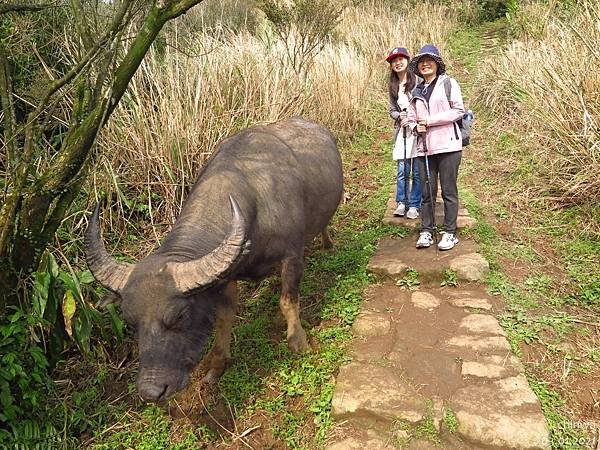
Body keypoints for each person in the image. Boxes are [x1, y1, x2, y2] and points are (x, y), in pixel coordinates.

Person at [407, 44, 465, 250]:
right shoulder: (416, 91)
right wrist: (415, 126)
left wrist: (429, 121)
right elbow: (412, 118)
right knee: (427, 192)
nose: (425, 64)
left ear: (437, 64)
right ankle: (427, 230)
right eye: (421, 61)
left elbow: (458, 110)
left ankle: (449, 233)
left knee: (449, 191)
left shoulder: (449, 83)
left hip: (448, 146)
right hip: (425, 148)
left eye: (429, 60)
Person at [386, 47, 421, 219]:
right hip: (403, 131)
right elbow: (391, 110)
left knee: (416, 170)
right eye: (394, 60)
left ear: (408, 61)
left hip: (417, 132)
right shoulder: (393, 85)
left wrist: (413, 117)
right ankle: (401, 202)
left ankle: (414, 204)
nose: (398, 62)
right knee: (402, 169)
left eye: (401, 59)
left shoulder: (418, 81)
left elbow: (424, 104)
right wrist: (399, 116)